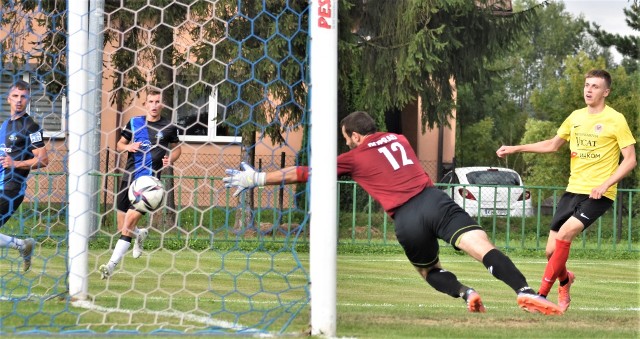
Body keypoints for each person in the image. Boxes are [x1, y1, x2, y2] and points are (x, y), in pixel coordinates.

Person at [224, 110, 563, 315]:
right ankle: (524, 291)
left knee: (429, 271)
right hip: (434, 200)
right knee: (482, 247)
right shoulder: (399, 138)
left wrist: (257, 178)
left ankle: (466, 293)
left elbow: (302, 172)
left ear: (355, 135)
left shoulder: (354, 156)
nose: (347, 145)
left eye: (347, 139)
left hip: (406, 218)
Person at [496, 69, 636, 312]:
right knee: (551, 252)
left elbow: (630, 160)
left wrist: (605, 184)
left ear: (606, 91)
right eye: (587, 85)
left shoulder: (616, 119)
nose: (588, 90)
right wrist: (517, 148)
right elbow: (552, 144)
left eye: (594, 86)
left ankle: (540, 296)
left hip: (599, 194)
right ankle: (565, 279)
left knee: (564, 236)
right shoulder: (575, 117)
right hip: (572, 190)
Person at [99, 88, 182, 279]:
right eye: (150, 101)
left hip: (148, 186)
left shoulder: (169, 127)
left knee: (128, 223)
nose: (154, 105)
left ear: (162, 104)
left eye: (157, 102)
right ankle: (140, 235)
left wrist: (171, 159)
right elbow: (119, 144)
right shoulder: (134, 123)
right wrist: (128, 146)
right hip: (129, 179)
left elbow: (178, 149)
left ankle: (110, 266)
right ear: (145, 104)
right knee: (123, 227)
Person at [0, 80, 49, 272]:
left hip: (12, 189)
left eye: (23, 96)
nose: (19, 100)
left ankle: (21, 245)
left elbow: (43, 160)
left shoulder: (31, 126)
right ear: (8, 99)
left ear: (28, 99)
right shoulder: (4, 125)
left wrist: (16, 164)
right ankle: (21, 245)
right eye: (15, 96)